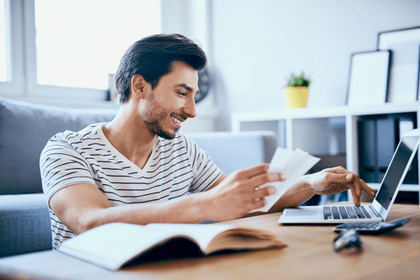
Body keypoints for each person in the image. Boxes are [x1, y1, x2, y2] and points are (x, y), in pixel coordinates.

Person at [40, 34, 376, 249]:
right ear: (139, 86)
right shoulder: (67, 149)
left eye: (194, 95)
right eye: (182, 93)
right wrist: (204, 205)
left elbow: (244, 200)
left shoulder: (182, 149)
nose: (192, 110)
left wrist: (312, 184)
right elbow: (88, 222)